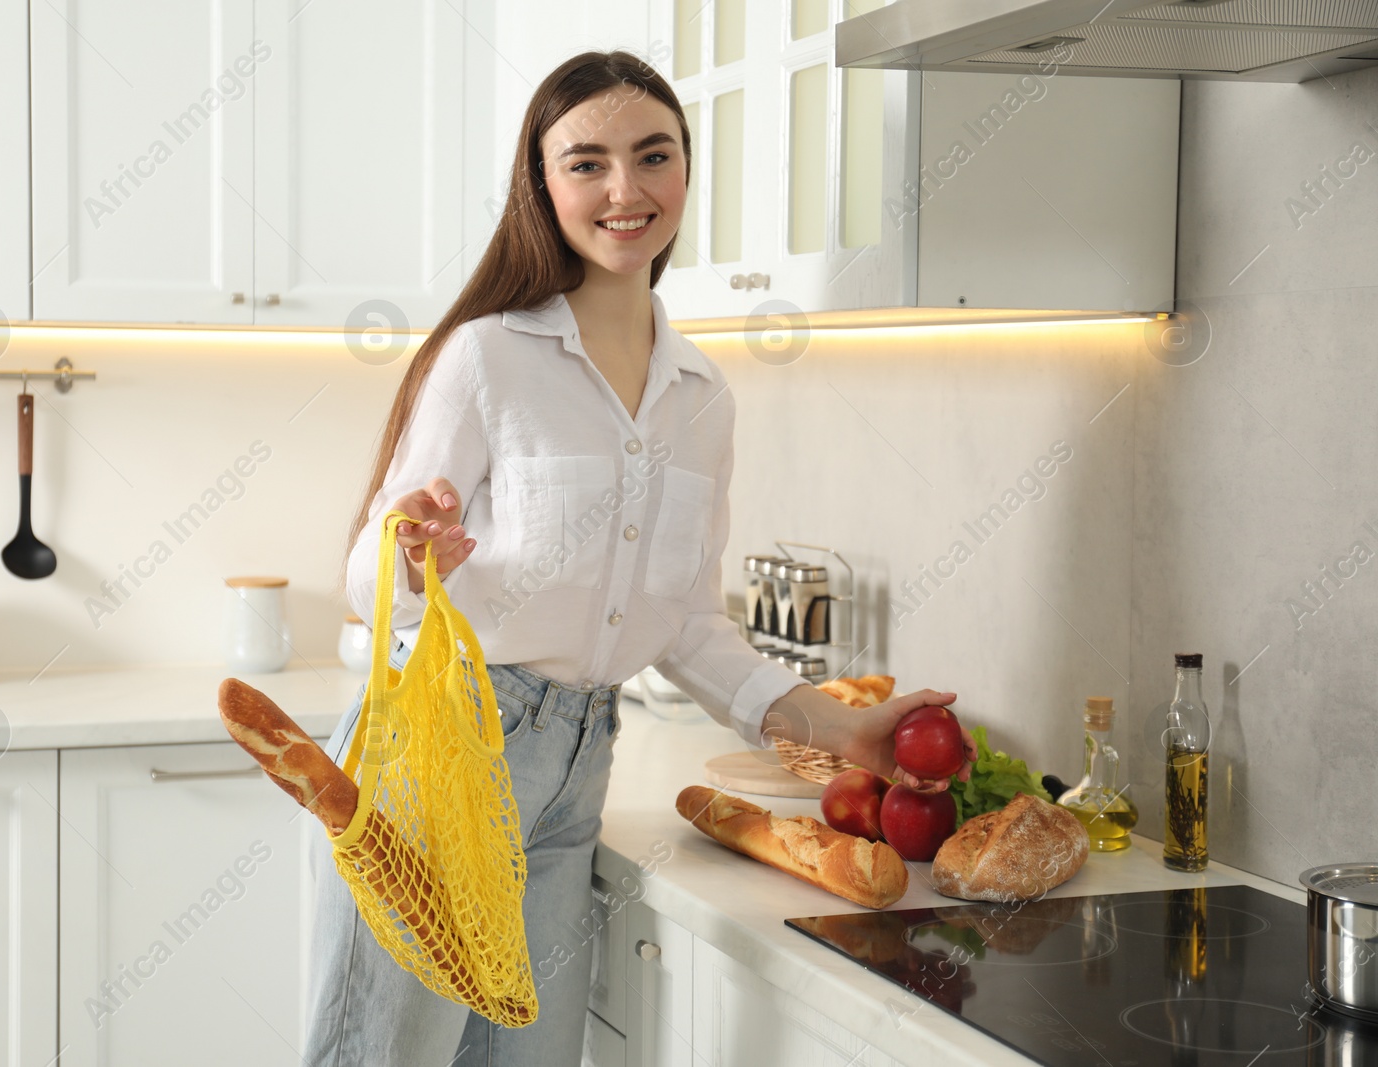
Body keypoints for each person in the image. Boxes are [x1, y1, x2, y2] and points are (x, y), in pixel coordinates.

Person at [310, 50, 968, 1067]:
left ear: (684, 172)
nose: (625, 190)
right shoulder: (486, 357)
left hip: (576, 765)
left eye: (652, 156)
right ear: (541, 183)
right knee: (388, 1055)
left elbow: (688, 626)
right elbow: (365, 575)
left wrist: (848, 731)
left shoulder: (702, 396)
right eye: (587, 163)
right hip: (443, 752)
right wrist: (411, 547)